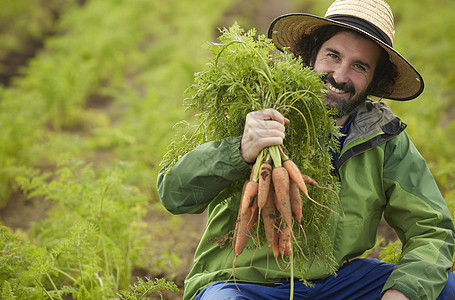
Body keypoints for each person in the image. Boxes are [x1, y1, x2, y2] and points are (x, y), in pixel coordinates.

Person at [157, 0, 455, 299]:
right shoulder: (257, 111)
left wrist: (402, 293)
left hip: (337, 283)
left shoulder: (384, 137)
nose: (339, 75)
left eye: (359, 66)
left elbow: (431, 228)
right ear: (312, 54)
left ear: (375, 79)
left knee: (443, 288)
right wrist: (240, 150)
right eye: (333, 56)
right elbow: (174, 195)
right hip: (243, 285)